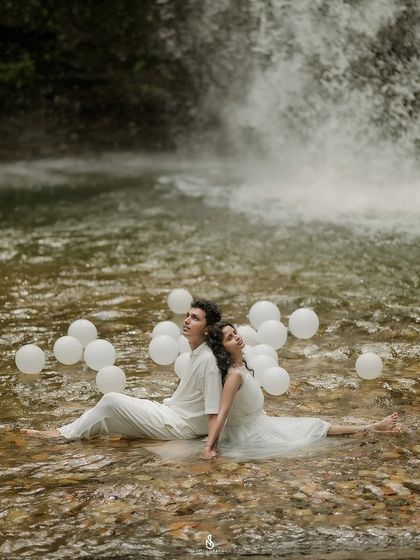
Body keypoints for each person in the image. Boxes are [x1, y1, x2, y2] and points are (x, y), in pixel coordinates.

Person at [21, 299, 223, 441]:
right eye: (187, 315)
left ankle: (61, 435)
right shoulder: (199, 353)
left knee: (111, 400)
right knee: (110, 414)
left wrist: (210, 448)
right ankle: (66, 432)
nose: (187, 320)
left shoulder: (208, 361)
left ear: (207, 329)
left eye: (195, 318)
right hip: (173, 414)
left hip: (180, 426)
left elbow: (214, 411)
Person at [201, 322, 400, 460]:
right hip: (249, 434)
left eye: (235, 333)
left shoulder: (241, 365)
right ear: (223, 349)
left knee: (315, 426)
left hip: (261, 423)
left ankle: (373, 427)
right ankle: (373, 427)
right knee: (312, 432)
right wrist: (210, 448)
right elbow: (222, 413)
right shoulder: (234, 376)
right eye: (229, 338)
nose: (236, 337)